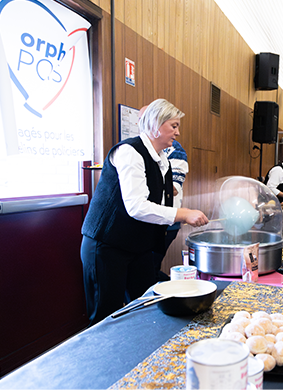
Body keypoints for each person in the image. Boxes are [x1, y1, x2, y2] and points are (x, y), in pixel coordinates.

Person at [81, 99, 208, 325]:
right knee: (105, 316)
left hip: (136, 246)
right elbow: (137, 207)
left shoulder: (163, 160)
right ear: (156, 125)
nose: (178, 133)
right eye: (174, 126)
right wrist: (183, 214)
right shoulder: (129, 152)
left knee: (144, 306)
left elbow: (159, 201)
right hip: (107, 245)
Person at [139, 105, 190, 282]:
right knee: (144, 272)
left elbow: (172, 188)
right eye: (174, 126)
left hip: (166, 222)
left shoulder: (173, 151)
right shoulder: (135, 150)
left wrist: (185, 214)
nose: (177, 132)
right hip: (147, 222)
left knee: (149, 269)